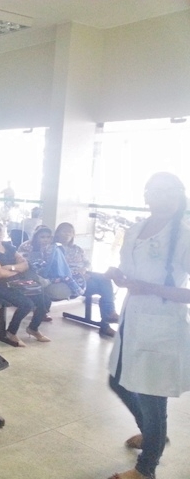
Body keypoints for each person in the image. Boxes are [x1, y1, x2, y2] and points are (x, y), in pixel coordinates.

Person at [105, 172, 190, 479]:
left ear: (180, 195)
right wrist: (119, 276)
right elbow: (133, 273)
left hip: (163, 325)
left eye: (169, 191)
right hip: (133, 320)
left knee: (153, 397)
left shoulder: (185, 234)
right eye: (156, 191)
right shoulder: (136, 229)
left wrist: (149, 288)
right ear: (146, 195)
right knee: (118, 380)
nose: (162, 197)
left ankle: (146, 469)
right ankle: (153, 435)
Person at [0, 221, 49, 346]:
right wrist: (17, 270)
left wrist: (10, 268)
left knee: (43, 300)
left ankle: (33, 328)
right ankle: (11, 332)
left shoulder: (8, 246)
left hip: (18, 282)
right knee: (26, 304)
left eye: (0, 230)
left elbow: (25, 264)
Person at [54, 222, 120, 338]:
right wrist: (77, 274)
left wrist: (84, 270)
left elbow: (88, 264)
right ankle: (107, 321)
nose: (67, 234)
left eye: (70, 232)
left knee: (105, 281)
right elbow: (57, 269)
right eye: (64, 231)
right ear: (58, 233)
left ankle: (109, 316)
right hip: (70, 280)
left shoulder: (77, 249)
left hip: (84, 274)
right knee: (104, 284)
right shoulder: (55, 248)